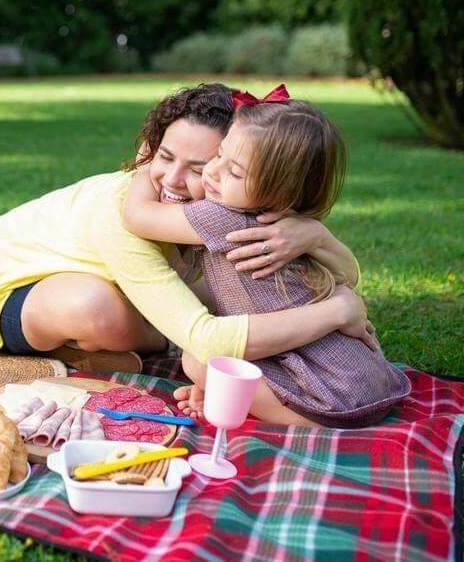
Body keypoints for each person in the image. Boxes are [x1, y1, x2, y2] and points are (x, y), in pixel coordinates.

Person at [0, 83, 376, 379]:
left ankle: (96, 351)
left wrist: (313, 236)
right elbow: (207, 339)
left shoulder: (234, 208)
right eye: (165, 156)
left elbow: (332, 274)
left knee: (220, 296)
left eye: (202, 166)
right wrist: (337, 311)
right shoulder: (125, 216)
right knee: (97, 306)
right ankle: (88, 344)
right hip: (5, 298)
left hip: (116, 283)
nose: (174, 180)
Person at [122, 86, 409, 427]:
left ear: (280, 190)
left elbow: (138, 216)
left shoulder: (222, 217)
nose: (213, 173)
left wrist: (148, 162)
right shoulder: (284, 221)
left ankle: (307, 421)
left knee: (198, 360)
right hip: (360, 376)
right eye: (219, 155)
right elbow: (347, 274)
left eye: (235, 172)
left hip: (334, 393)